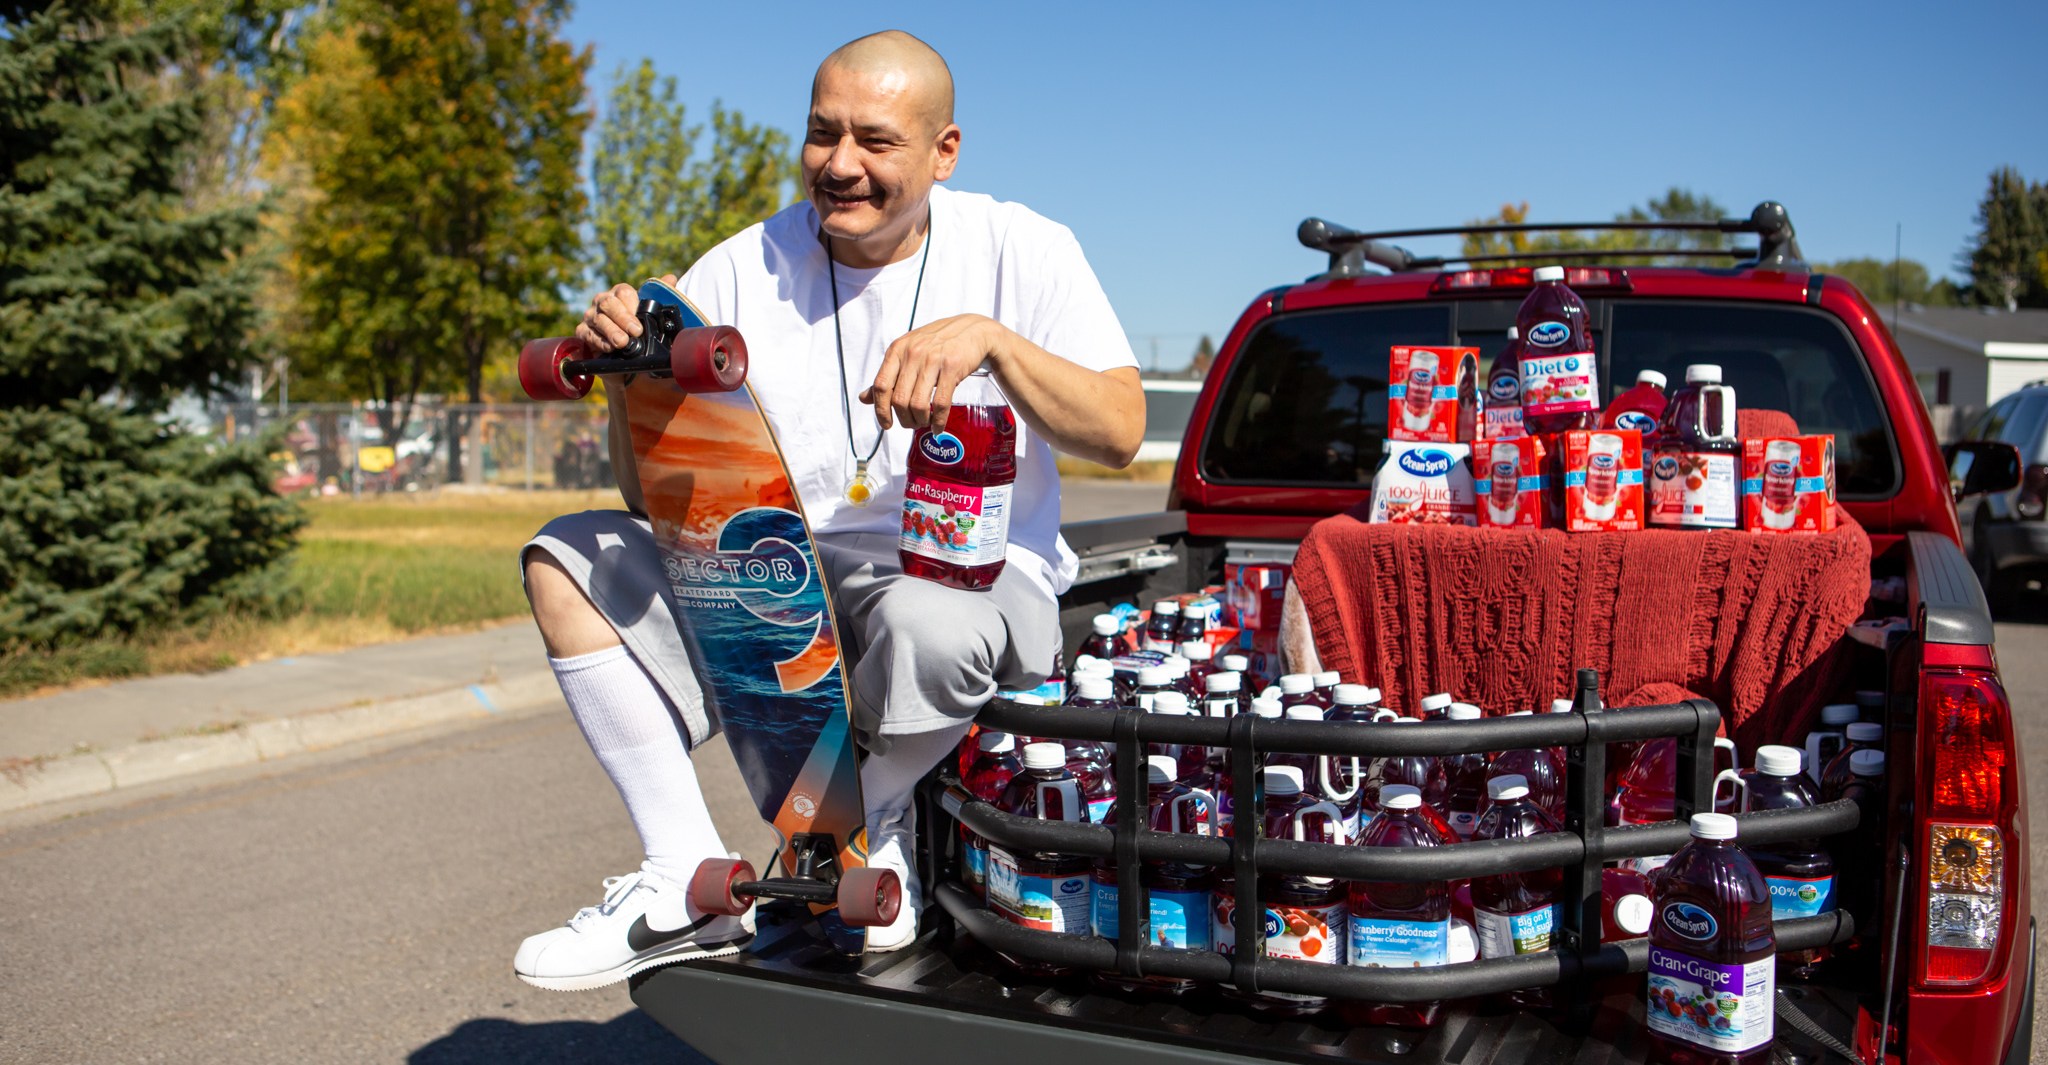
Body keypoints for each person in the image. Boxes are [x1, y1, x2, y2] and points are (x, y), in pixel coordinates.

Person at [512, 30, 1144, 990]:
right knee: (569, 555)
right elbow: (653, 497)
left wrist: (992, 342)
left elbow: (1121, 429)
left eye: (876, 142)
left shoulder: (1024, 247)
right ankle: (678, 867)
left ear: (945, 151)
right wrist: (625, 375)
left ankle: (861, 832)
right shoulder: (737, 268)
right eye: (821, 134)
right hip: (782, 573)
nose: (840, 165)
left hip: (964, 575)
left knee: (929, 619)